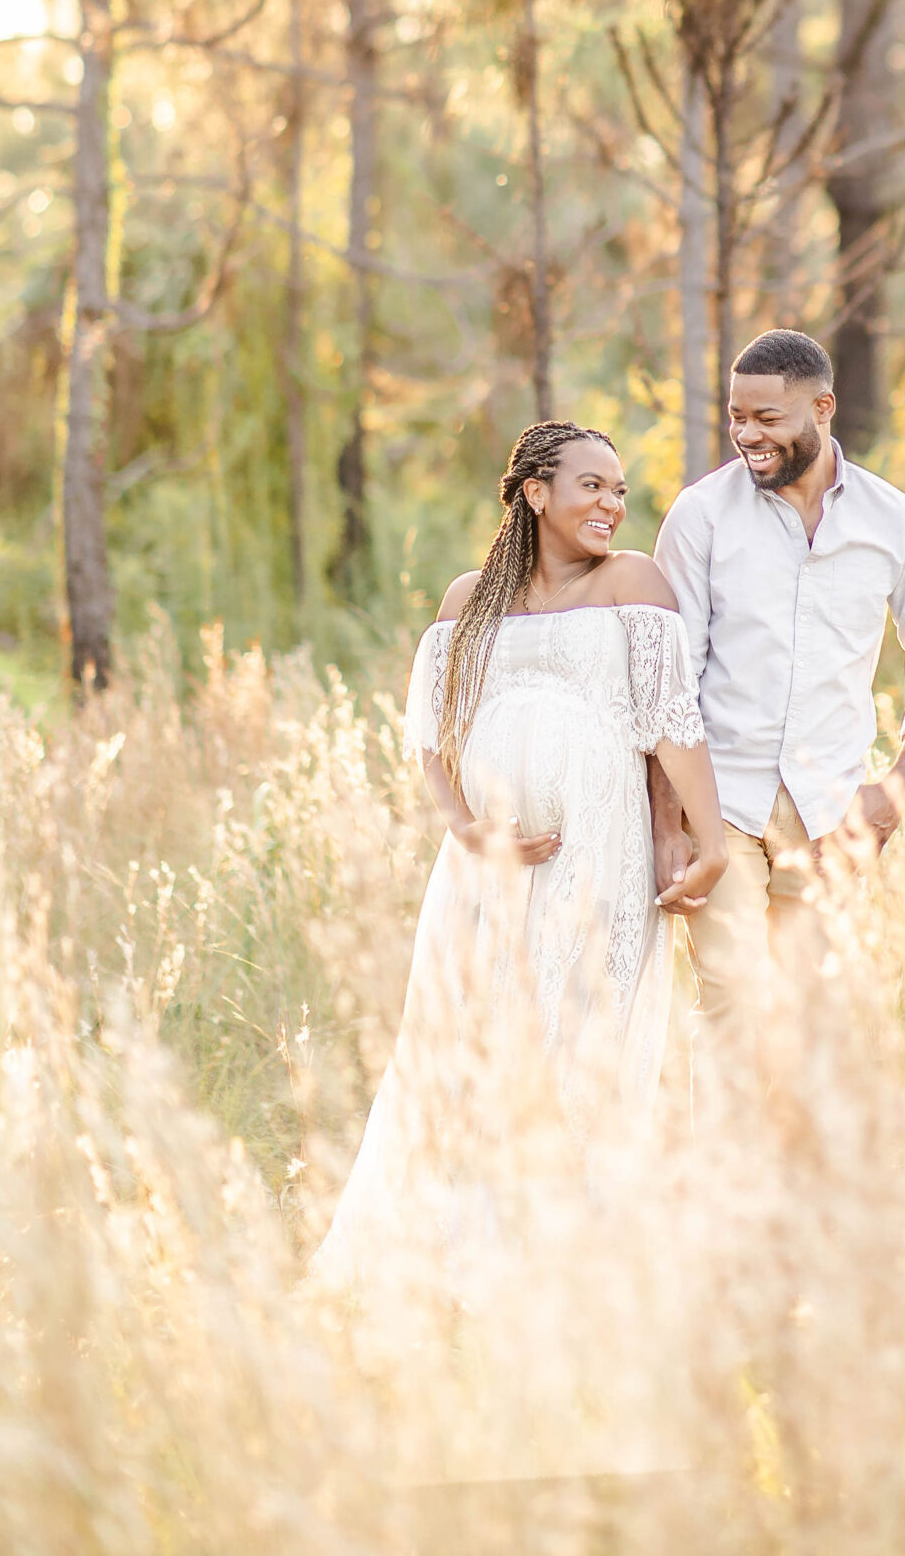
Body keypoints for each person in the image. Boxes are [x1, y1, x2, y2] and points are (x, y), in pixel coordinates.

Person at [310, 419, 728, 1294]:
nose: (613, 504)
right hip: (488, 873)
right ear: (535, 492)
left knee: (581, 1036)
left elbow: (672, 725)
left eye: (619, 489)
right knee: (478, 1035)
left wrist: (708, 835)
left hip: (599, 856)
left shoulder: (633, 581)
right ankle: (459, 1250)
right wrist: (465, 829)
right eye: (593, 486)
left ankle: (565, 1258)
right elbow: (432, 736)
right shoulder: (470, 599)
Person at [650, 328, 905, 1024]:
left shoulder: (893, 521)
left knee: (808, 1018)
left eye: (767, 418)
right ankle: (727, 1140)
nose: (745, 434)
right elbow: (667, 685)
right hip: (720, 803)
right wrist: (666, 822)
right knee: (733, 1001)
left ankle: (791, 1138)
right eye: (737, 416)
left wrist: (897, 789)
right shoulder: (700, 516)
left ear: (822, 408)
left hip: (829, 814)